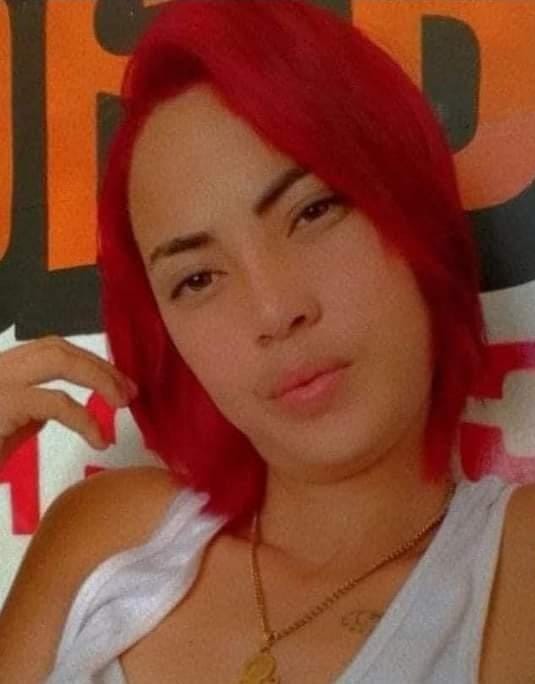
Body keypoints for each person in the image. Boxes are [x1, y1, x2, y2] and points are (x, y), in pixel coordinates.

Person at [0, 0, 534, 681]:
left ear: (409, 207)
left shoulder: (516, 567)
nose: (276, 311)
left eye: (313, 212)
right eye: (196, 279)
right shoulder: (101, 539)